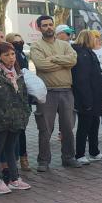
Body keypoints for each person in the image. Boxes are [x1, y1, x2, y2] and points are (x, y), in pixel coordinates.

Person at [30, 15, 80, 171]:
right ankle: (43, 161)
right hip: (47, 93)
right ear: (39, 28)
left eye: (51, 24)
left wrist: (54, 58)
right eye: (44, 25)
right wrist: (63, 63)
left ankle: (69, 158)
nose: (48, 27)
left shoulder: (64, 44)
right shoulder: (36, 46)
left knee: (68, 128)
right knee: (45, 129)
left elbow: (73, 61)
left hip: (66, 91)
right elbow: (41, 65)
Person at [0, 43, 31, 195]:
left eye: (13, 54)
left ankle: (14, 179)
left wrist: (25, 113)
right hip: (0, 120)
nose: (11, 58)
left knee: (11, 148)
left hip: (16, 119)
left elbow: (23, 96)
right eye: (6, 55)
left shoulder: (17, 72)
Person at [71, 30, 102, 165]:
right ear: (88, 39)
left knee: (94, 124)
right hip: (87, 98)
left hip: (95, 97)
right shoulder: (82, 54)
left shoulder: (88, 52)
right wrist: (87, 100)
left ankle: (94, 151)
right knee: (84, 126)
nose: (98, 41)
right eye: (95, 38)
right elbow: (82, 80)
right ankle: (80, 154)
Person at [5, 33, 31, 172]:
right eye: (15, 42)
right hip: (10, 99)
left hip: (23, 97)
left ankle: (23, 157)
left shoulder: (21, 55)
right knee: (12, 133)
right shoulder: (8, 57)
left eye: (21, 41)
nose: (19, 43)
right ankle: (11, 160)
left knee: (22, 131)